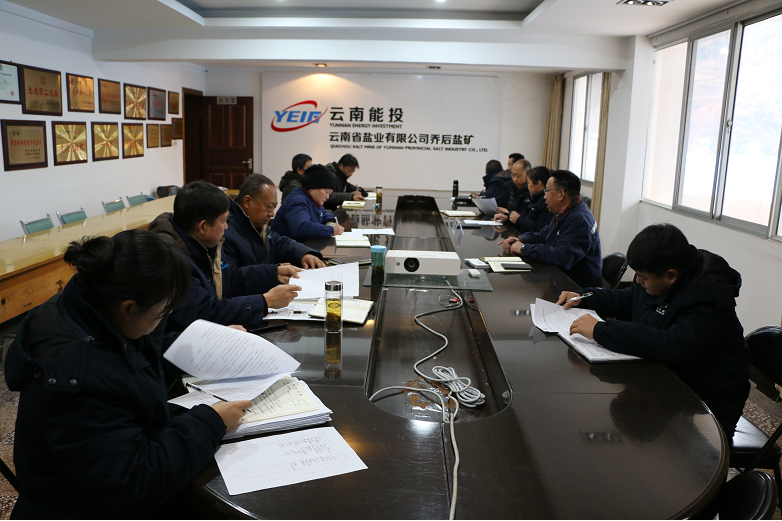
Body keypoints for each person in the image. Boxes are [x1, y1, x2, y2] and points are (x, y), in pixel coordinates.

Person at [4, 230, 253, 518]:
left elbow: (140, 353)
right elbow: (135, 483)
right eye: (163, 312)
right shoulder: (78, 378)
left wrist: (204, 344)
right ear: (129, 308)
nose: (166, 316)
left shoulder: (93, 303)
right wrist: (210, 423)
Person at [557, 223, 750, 437]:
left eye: (642, 276)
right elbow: (627, 299)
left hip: (704, 402)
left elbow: (673, 346)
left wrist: (601, 330)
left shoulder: (708, 297)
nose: (637, 281)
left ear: (671, 276)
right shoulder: (660, 276)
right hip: (664, 382)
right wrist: (584, 297)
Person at [149, 181, 302, 334]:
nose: (227, 227)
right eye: (224, 221)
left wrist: (273, 273)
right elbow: (204, 311)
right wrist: (264, 301)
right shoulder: (172, 261)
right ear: (203, 227)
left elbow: (231, 278)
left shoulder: (205, 243)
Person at [499, 170, 602, 288]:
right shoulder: (565, 211)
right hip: (561, 280)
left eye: (547, 191)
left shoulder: (579, 220)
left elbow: (562, 257)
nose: (544, 196)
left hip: (577, 288)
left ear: (561, 194)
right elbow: (544, 234)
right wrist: (520, 238)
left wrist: (524, 248)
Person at [223, 173, 325, 269]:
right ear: (247, 202)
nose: (272, 214)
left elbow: (276, 242)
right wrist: (273, 272)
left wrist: (304, 254)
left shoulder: (256, 221)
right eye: (269, 207)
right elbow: (231, 276)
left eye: (274, 207)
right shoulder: (224, 230)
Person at [272, 164, 346, 241]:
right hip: (286, 246)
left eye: (329, 193)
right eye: (326, 192)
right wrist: (331, 230)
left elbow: (324, 213)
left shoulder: (312, 199)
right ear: (312, 188)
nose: (327, 197)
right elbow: (302, 229)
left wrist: (330, 221)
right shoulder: (297, 201)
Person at [496, 165, 553, 233]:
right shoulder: (535, 198)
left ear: (538, 184)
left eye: (528, 183)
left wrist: (519, 220)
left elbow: (541, 228)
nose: (528, 187)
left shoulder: (546, 202)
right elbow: (526, 214)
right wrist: (507, 217)